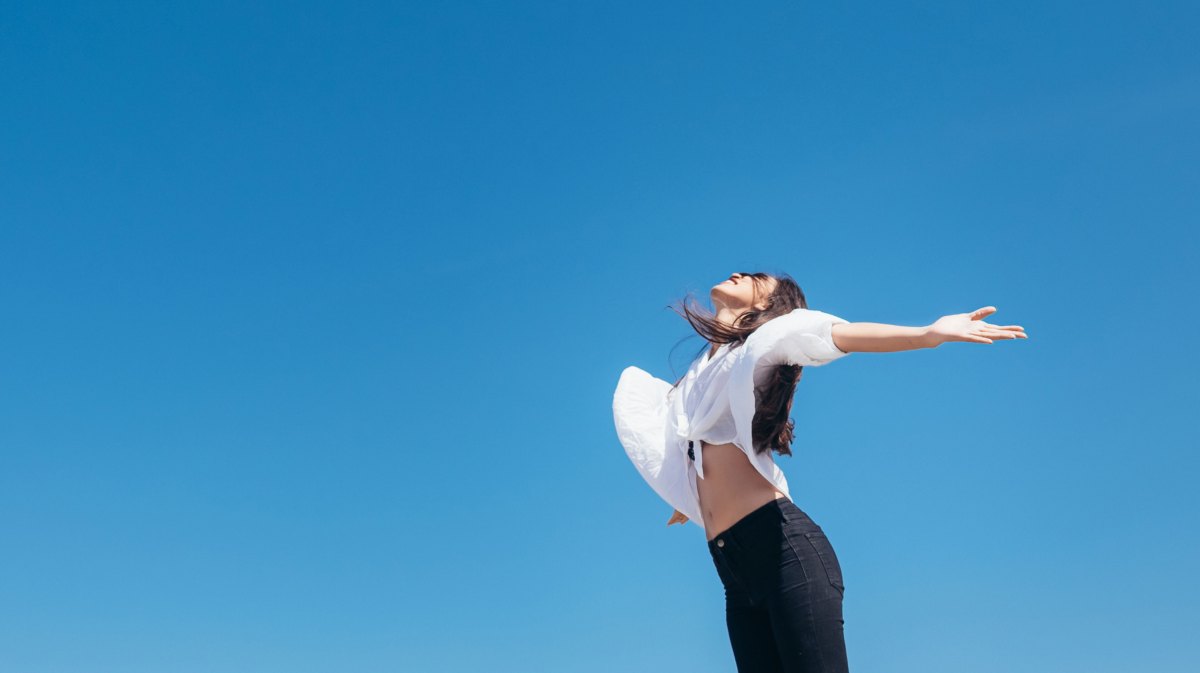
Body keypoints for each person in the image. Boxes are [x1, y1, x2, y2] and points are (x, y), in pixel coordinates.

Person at [612, 271, 1028, 673]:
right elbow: (685, 439)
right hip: (734, 574)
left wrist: (928, 334)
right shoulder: (700, 373)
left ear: (771, 303)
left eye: (756, 276)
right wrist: (686, 497)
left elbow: (835, 334)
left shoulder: (771, 337)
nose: (738, 272)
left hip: (783, 550)